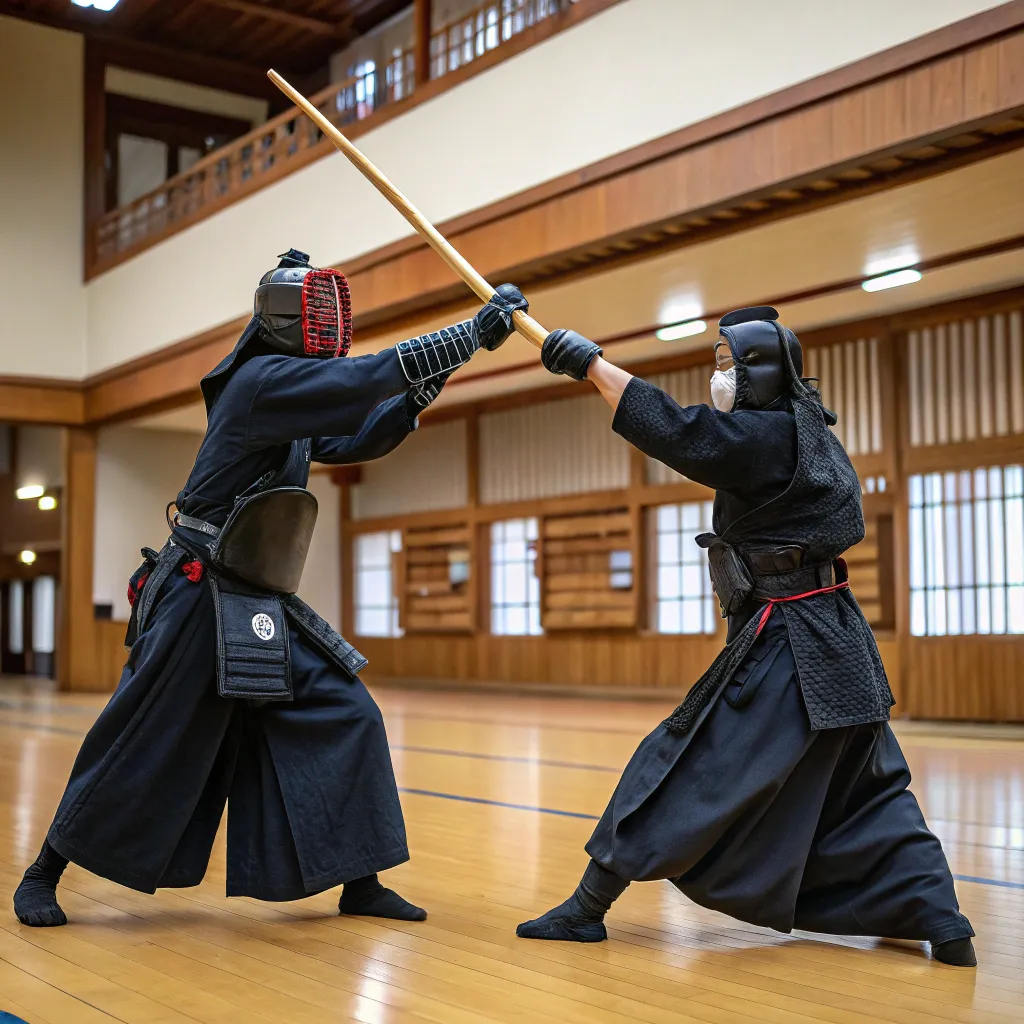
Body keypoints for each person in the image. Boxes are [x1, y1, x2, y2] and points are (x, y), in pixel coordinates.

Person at [14, 249, 528, 928]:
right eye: (319, 314)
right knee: (143, 732)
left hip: (258, 598)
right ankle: (43, 870)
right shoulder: (259, 382)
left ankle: (359, 880)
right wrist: (464, 336)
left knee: (346, 711)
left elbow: (360, 433)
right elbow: (359, 382)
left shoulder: (290, 394)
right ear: (287, 322)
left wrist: (444, 369)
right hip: (198, 595)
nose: (332, 326)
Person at [515, 308, 977, 967]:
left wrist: (588, 363)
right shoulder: (809, 429)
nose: (718, 376)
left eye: (728, 364)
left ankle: (587, 909)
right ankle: (946, 926)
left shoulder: (764, 439)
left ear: (759, 372)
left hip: (787, 644)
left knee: (681, 762)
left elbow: (672, 430)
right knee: (871, 789)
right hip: (841, 642)